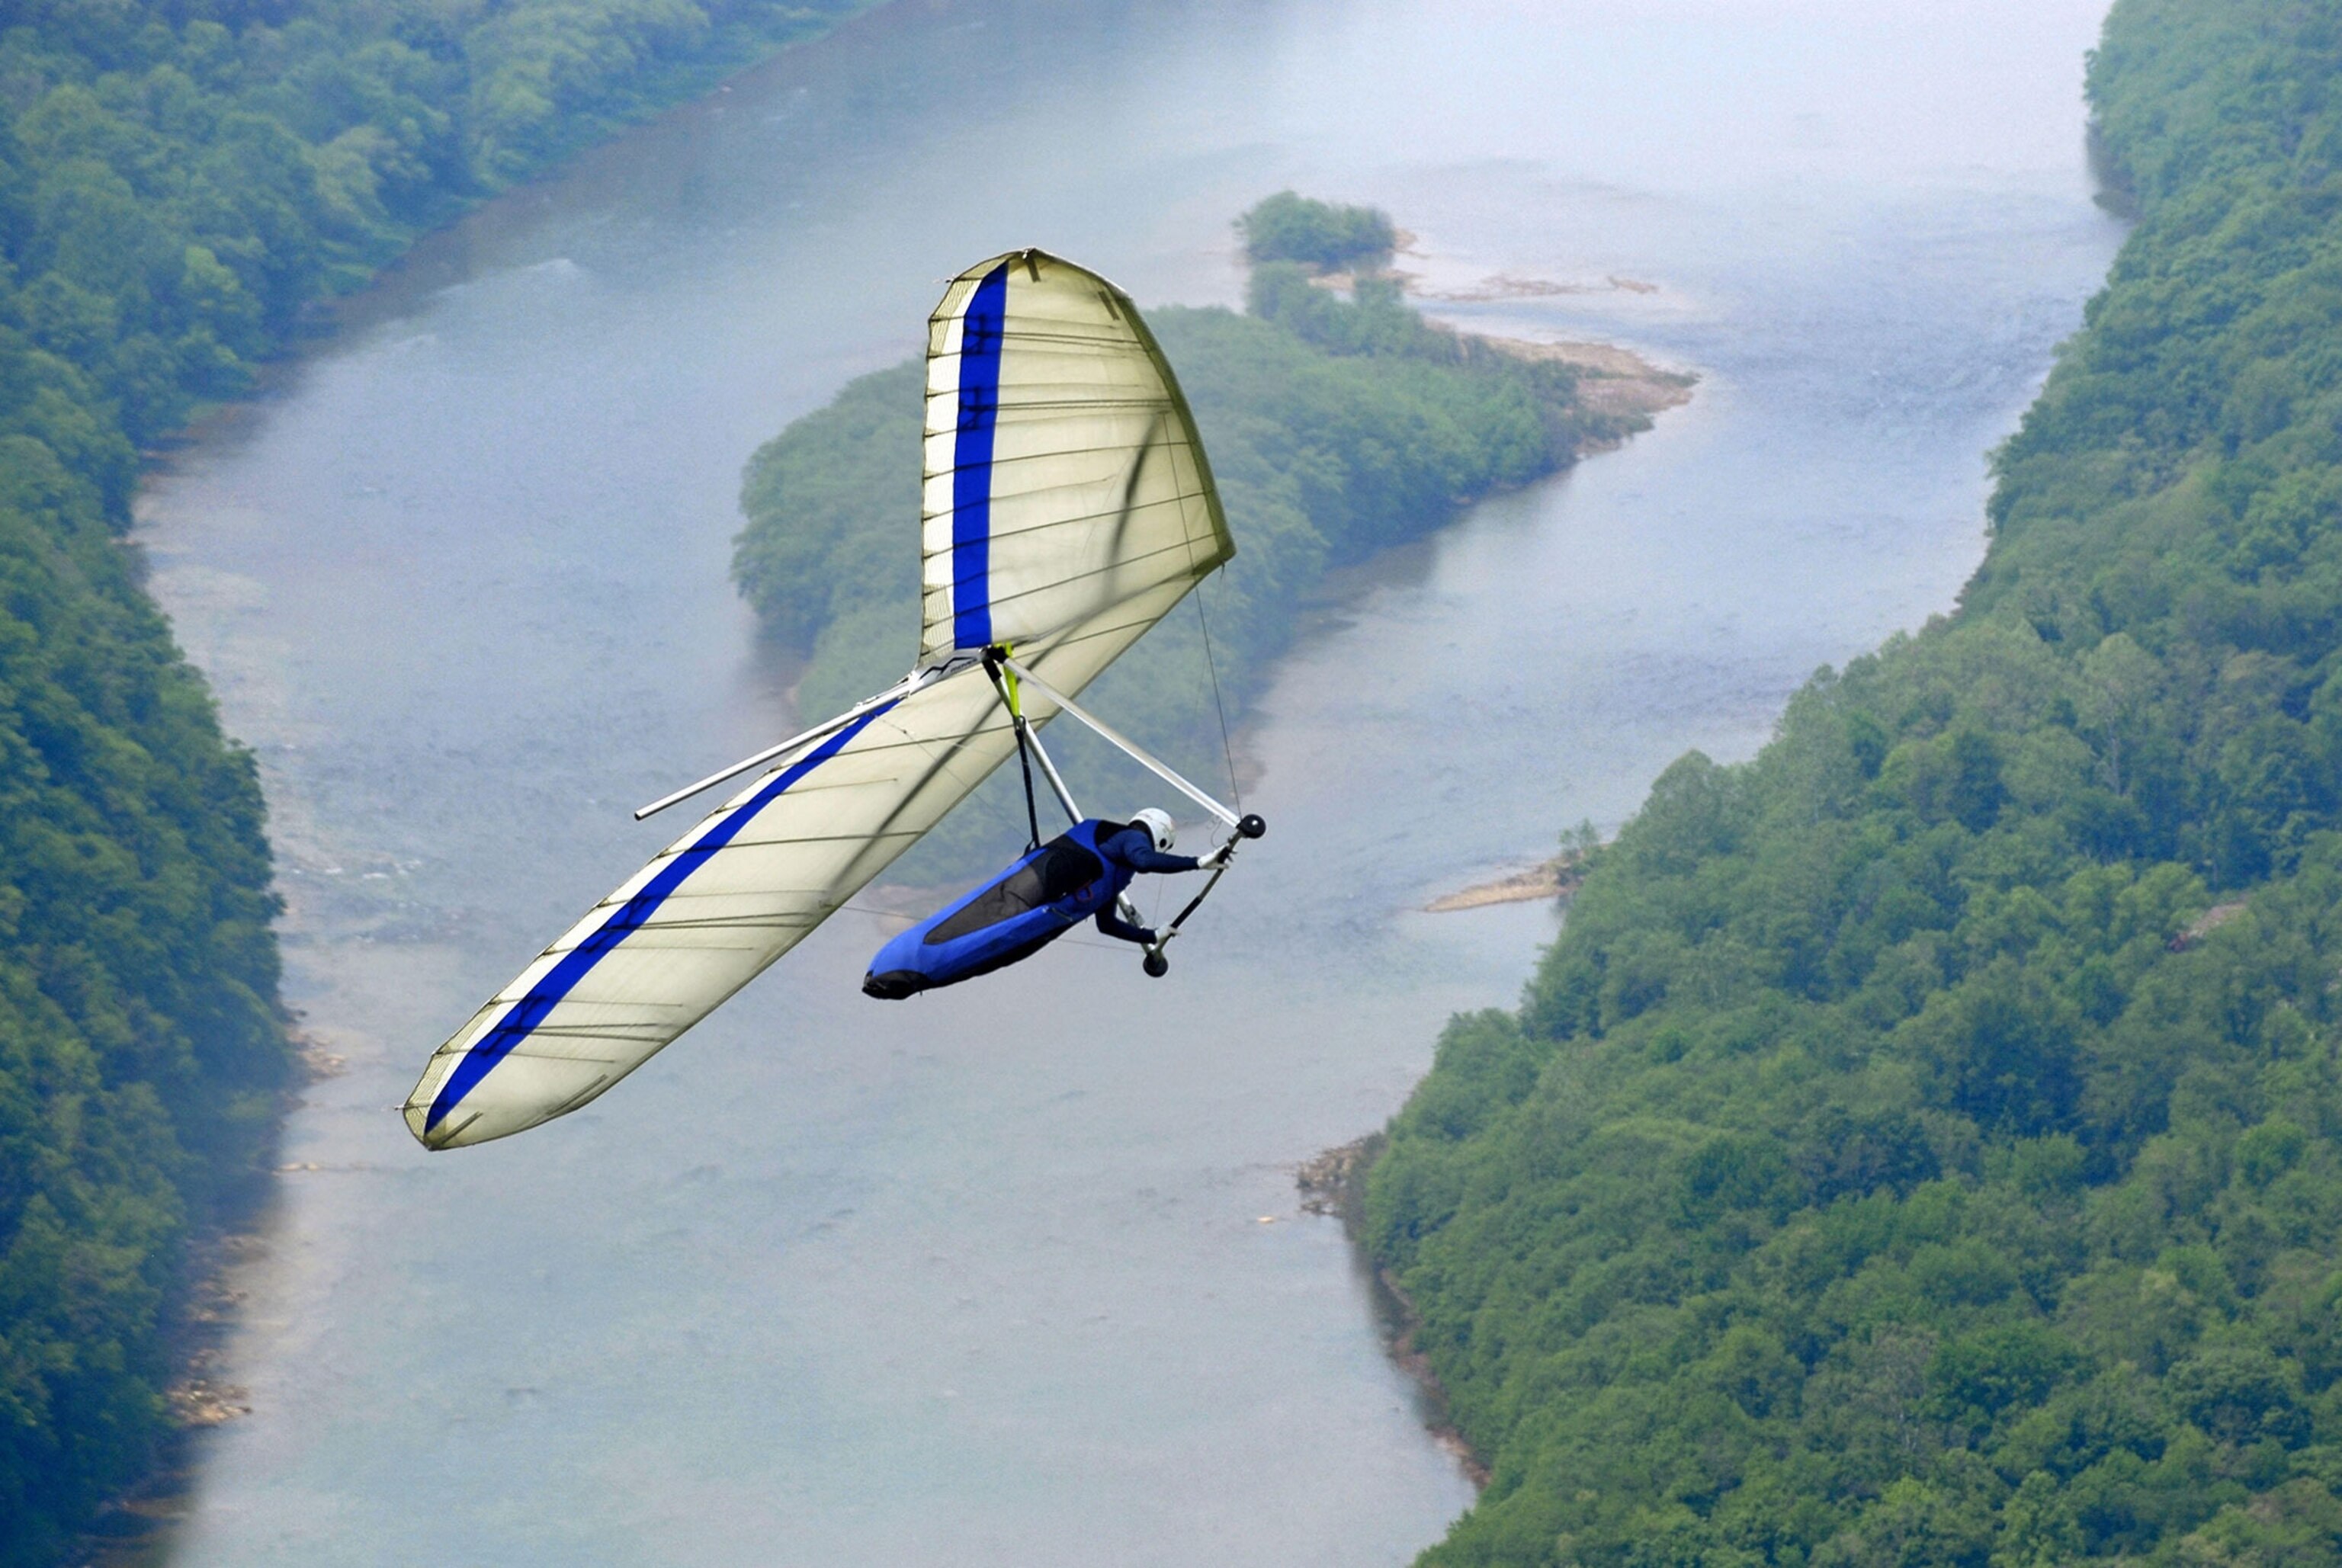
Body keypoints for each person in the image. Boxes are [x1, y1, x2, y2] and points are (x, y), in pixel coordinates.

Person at [861, 808, 1227, 998]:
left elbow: (1107, 924)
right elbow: (1146, 860)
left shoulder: (1114, 870)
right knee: (971, 931)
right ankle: (898, 968)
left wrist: (1150, 933)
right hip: (1033, 898)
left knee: (983, 951)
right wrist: (1199, 862)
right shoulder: (1125, 838)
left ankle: (896, 973)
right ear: (1157, 837)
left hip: (1038, 913)